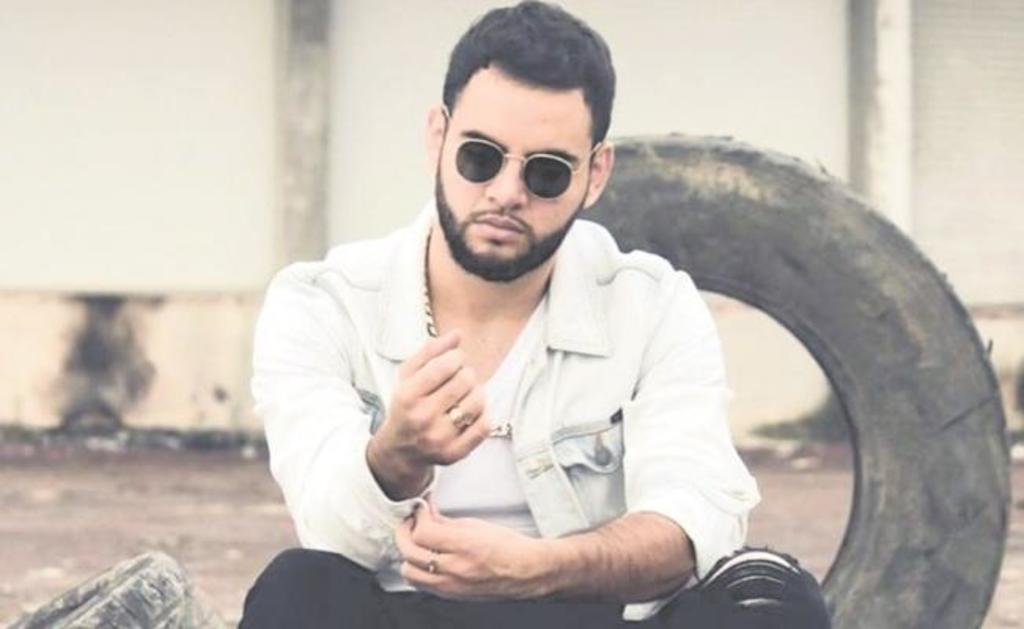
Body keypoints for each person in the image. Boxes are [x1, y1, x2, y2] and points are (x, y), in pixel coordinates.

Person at [240, 2, 830, 627]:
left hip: (585, 610)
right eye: (479, 157)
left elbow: (692, 522)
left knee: (770, 595)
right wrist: (395, 456)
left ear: (595, 175)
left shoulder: (651, 305)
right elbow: (327, 530)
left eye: (546, 173)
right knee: (298, 589)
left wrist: (536, 568)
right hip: (402, 611)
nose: (505, 193)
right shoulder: (325, 303)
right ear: (437, 137)